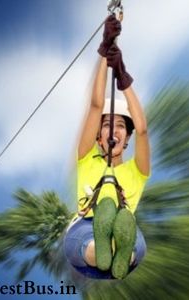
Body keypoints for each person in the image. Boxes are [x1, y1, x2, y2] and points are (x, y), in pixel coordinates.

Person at [64, 14, 151, 280]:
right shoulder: (86, 158)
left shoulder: (137, 170)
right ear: (99, 138)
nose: (113, 130)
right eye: (107, 126)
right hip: (85, 229)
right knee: (92, 240)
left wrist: (124, 78)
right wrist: (104, 49)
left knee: (129, 240)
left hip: (124, 238)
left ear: (127, 140)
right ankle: (103, 246)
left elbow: (144, 129)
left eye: (121, 127)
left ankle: (115, 246)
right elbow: (96, 105)